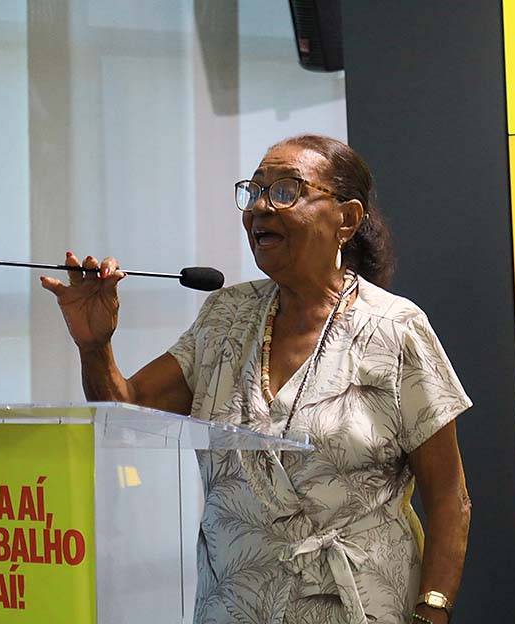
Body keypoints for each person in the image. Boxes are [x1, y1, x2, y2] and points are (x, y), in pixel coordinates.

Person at [41, 135, 471, 624]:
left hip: (359, 608)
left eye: (287, 191)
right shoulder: (226, 316)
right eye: (255, 191)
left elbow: (449, 498)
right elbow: (127, 409)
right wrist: (95, 346)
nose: (260, 208)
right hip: (233, 607)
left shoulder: (395, 329)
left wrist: (432, 612)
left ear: (347, 219)